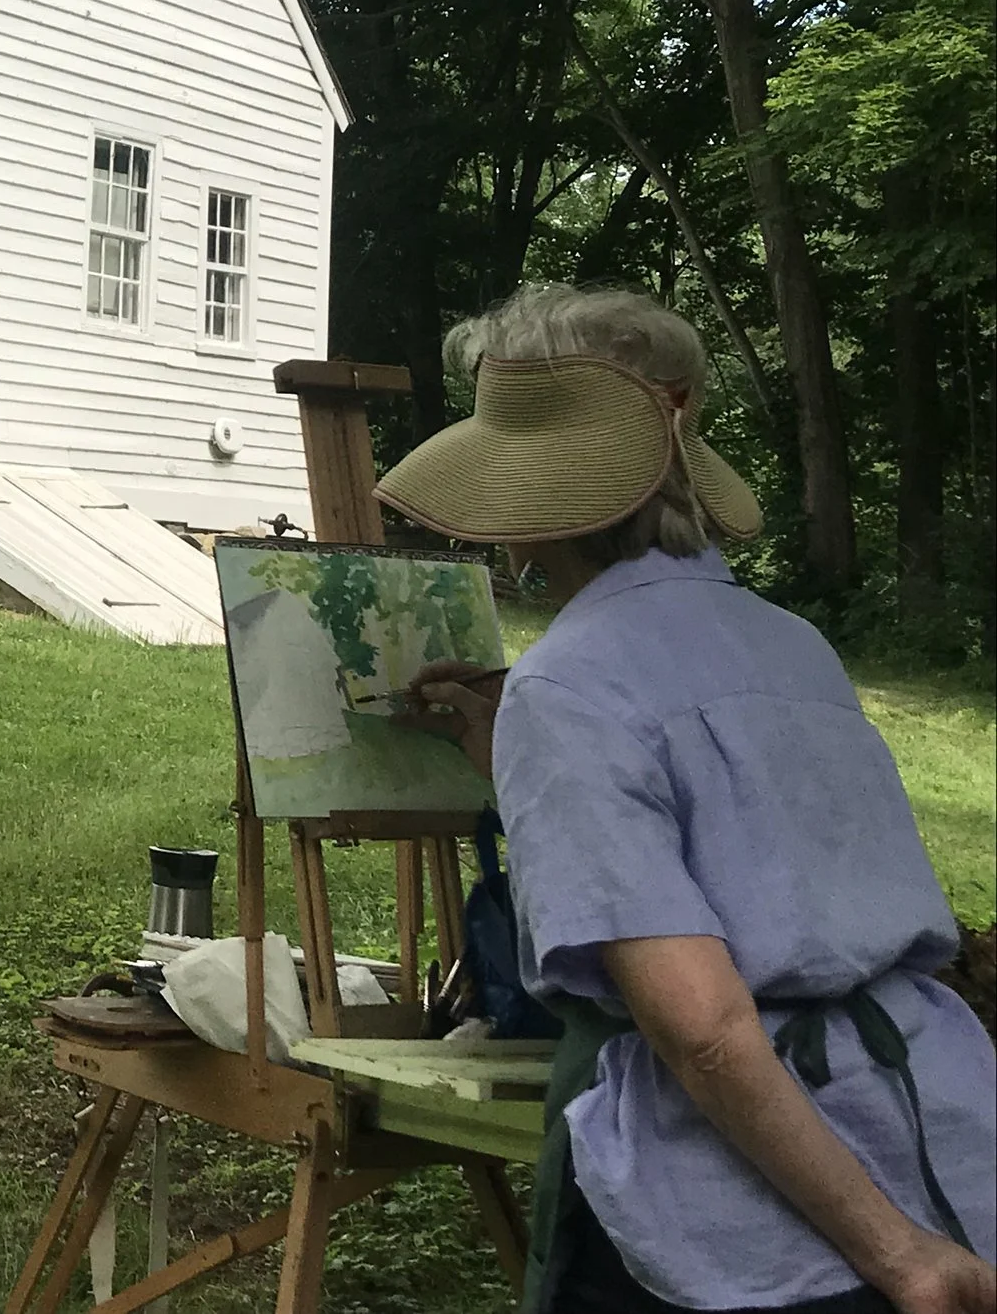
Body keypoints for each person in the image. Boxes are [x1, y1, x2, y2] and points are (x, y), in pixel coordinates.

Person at [372, 285, 995, 1314]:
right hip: (926, 1135)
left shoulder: (565, 685)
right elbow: (770, 871)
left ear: (529, 503)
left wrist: (901, 1259)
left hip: (734, 1215)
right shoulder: (793, 644)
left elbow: (701, 1026)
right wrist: (517, 766)